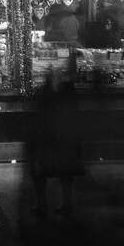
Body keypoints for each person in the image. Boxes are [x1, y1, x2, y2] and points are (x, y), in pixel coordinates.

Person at [27, 51, 84, 217]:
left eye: (58, 73)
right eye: (54, 74)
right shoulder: (58, 91)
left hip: (58, 137)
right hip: (54, 137)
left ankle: (62, 204)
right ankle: (44, 203)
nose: (56, 75)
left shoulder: (60, 91)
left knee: (59, 172)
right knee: (47, 172)